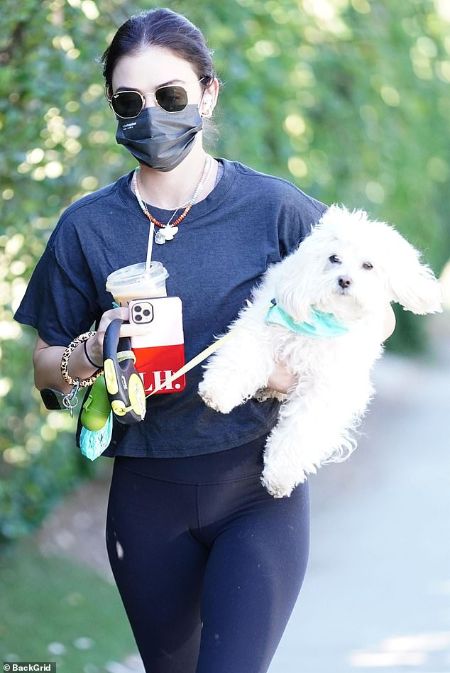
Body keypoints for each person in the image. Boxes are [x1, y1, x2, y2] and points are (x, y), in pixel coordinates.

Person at [13, 8, 396, 673]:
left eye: (170, 95)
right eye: (129, 101)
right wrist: (92, 351)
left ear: (207, 93)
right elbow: (46, 372)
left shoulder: (276, 209)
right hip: (146, 496)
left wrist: (294, 368)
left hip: (257, 494)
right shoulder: (86, 228)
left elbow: (374, 313)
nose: (151, 115)